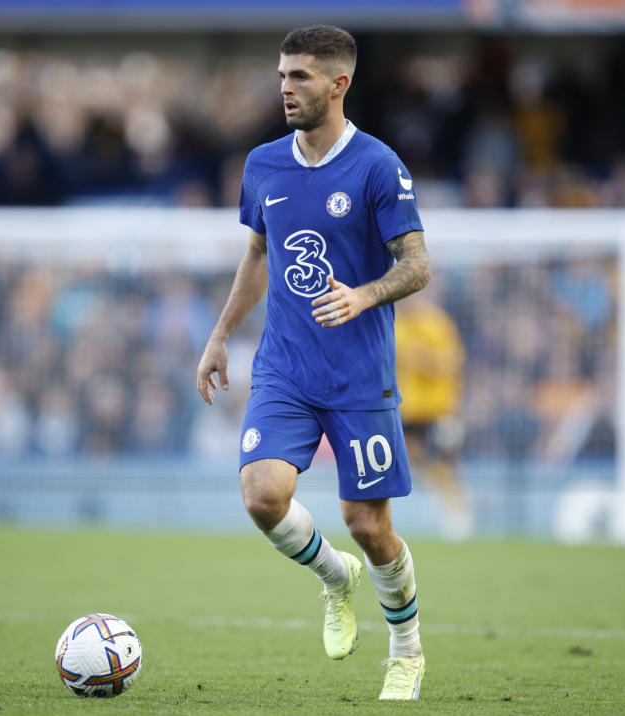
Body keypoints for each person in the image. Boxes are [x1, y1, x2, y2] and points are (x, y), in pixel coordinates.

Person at [197, 25, 431, 701]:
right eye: (280, 76)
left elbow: (417, 265)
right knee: (262, 495)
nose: (285, 89)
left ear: (339, 84)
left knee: (370, 526)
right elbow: (258, 256)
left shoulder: (378, 167)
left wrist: (365, 294)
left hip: (360, 376)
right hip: (286, 369)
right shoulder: (263, 163)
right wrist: (219, 336)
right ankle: (335, 578)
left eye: (299, 77)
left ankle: (407, 651)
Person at [393, 290, 472, 540]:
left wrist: (422, 358)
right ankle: (447, 503)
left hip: (439, 408)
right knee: (416, 457)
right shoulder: (397, 325)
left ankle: (457, 512)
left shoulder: (437, 323)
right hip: (411, 408)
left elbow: (453, 363)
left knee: (446, 460)